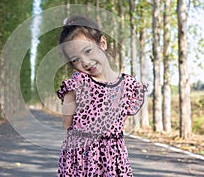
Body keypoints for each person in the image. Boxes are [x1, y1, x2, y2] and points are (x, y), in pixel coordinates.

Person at [56, 15, 147, 177]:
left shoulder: (77, 83)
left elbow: (66, 123)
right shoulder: (129, 85)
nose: (85, 62)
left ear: (102, 43)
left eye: (88, 51)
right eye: (76, 59)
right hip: (109, 156)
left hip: (89, 155)